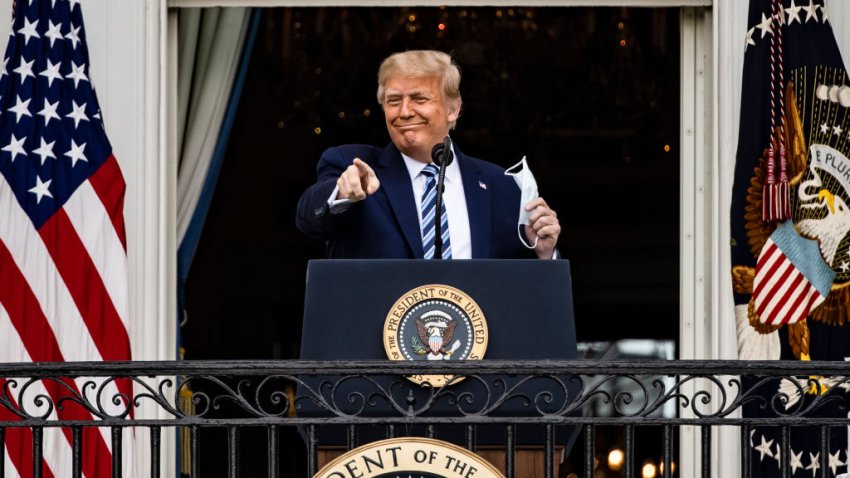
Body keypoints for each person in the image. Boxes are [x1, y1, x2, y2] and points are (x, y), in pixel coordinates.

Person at [296, 50, 561, 260]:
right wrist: (341, 195)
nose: (405, 111)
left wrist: (545, 253)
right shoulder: (353, 165)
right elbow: (309, 220)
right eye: (393, 100)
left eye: (420, 99)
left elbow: (523, 290)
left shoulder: (501, 185)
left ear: (453, 110)